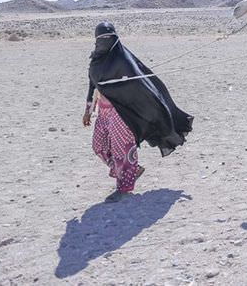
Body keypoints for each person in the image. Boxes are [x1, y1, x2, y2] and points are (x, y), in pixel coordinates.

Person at [82, 22, 194, 202]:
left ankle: (124, 186)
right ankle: (132, 170)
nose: (105, 42)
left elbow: (140, 85)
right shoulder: (95, 61)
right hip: (102, 111)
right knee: (99, 146)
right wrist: (88, 110)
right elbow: (92, 85)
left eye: (108, 38)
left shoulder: (122, 60)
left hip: (122, 112)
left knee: (122, 148)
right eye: (101, 39)